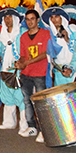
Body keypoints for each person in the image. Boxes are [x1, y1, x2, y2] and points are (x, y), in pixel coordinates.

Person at [15, 9, 51, 141]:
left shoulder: (45, 34)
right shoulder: (23, 37)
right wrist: (20, 63)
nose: (30, 22)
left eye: (32, 19)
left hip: (40, 73)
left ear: (37, 20)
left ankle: (44, 129)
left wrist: (28, 62)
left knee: (41, 102)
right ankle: (32, 126)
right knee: (27, 100)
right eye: (27, 19)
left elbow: (44, 53)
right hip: (26, 73)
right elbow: (23, 55)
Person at [0, 8, 27, 133]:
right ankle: (9, 122)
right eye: (5, 17)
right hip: (5, 69)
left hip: (18, 70)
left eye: (10, 17)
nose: (7, 19)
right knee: (7, 95)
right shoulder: (2, 34)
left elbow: (26, 50)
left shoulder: (22, 32)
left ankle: (24, 125)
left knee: (21, 97)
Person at [42, 6, 76, 86]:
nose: (54, 20)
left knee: (74, 98)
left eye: (56, 16)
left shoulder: (73, 30)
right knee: (60, 97)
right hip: (59, 73)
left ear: (62, 18)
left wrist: (67, 39)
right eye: (52, 17)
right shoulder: (48, 34)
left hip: (73, 73)